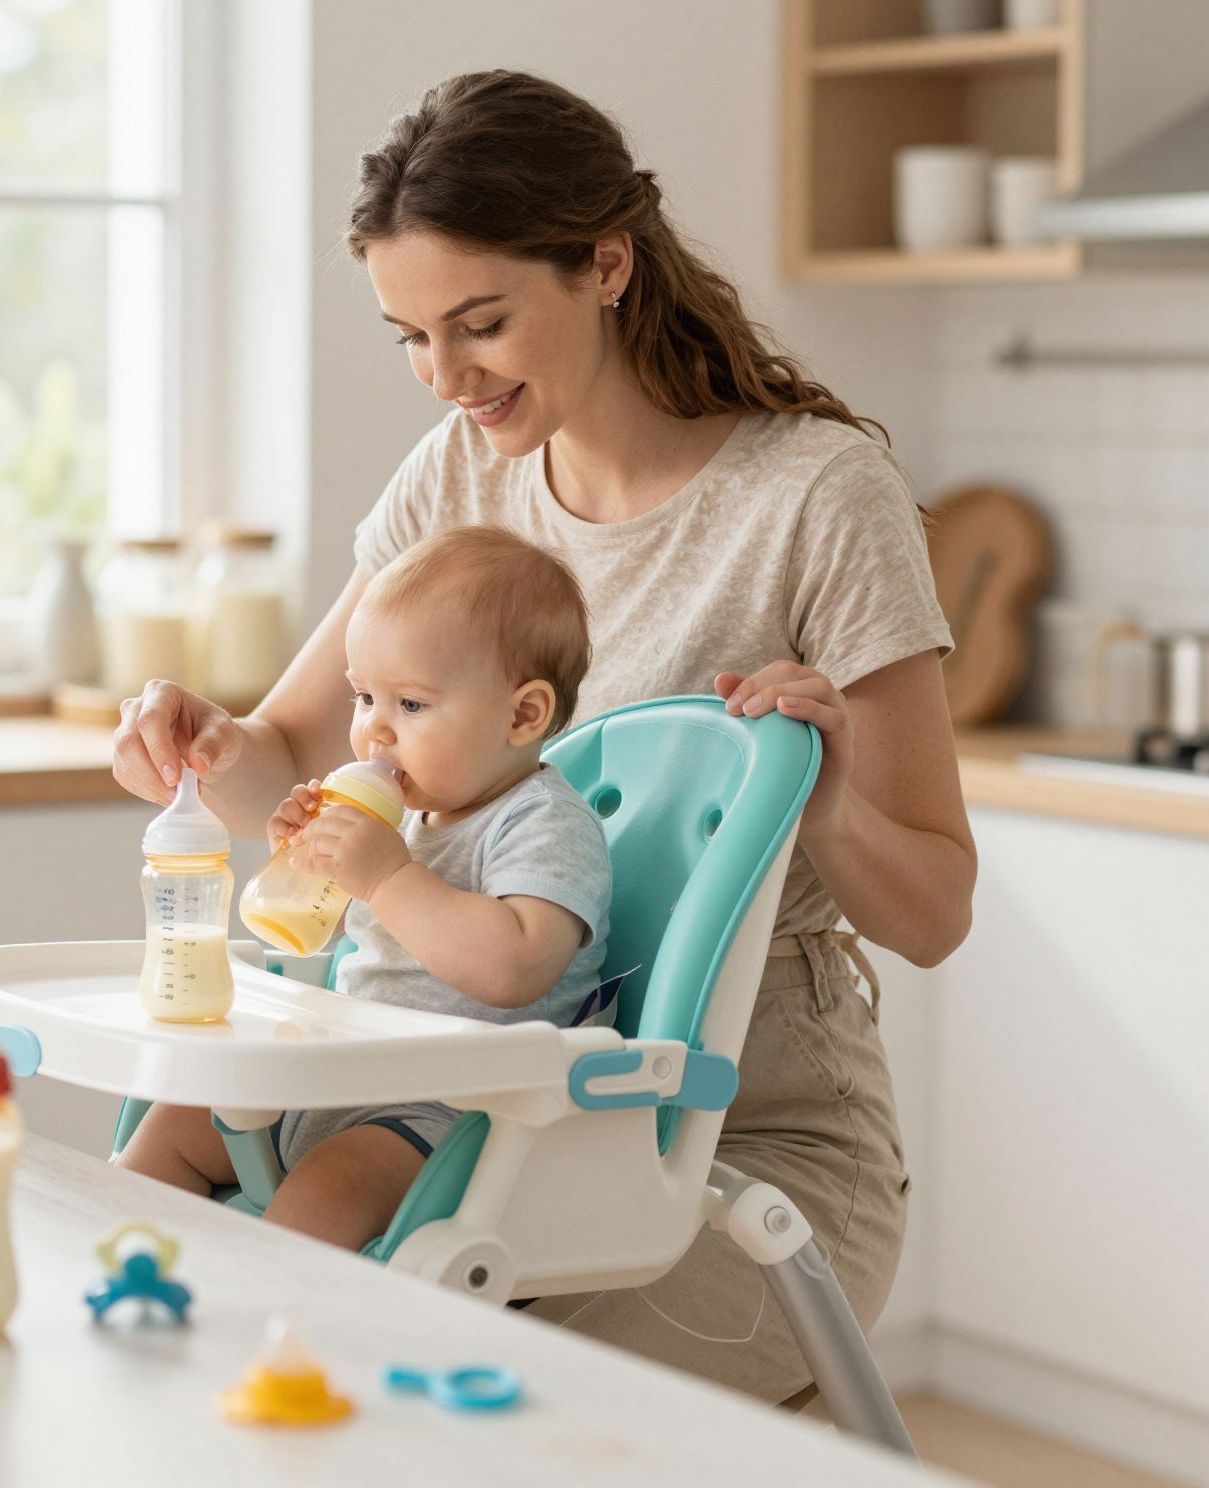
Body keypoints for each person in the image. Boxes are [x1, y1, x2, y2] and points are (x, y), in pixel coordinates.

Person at [110, 69, 974, 1407]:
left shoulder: (816, 495)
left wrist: (831, 802)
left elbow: (933, 913)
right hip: (478, 1108)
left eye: (482, 324)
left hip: (739, 1143)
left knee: (420, 1392)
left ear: (607, 265)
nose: (446, 379)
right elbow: (290, 766)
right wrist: (198, 745)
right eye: (409, 336)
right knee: (239, 1340)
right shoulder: (461, 475)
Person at [118, 526, 613, 1254]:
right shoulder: (406, 814)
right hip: (339, 1067)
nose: (374, 733)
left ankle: (268, 1332)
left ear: (523, 715)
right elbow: (317, 926)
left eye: (409, 706)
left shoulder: (543, 824)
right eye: (363, 698)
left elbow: (515, 967)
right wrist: (305, 850)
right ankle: (120, 1269)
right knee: (179, 1122)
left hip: (445, 1111)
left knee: (325, 1194)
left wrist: (385, 875)